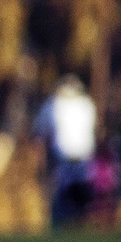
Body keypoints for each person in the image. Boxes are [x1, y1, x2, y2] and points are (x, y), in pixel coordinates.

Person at [41, 77, 98, 228]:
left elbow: (41, 130)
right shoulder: (87, 104)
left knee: (63, 191)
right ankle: (79, 222)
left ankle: (62, 222)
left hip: (63, 156)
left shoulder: (54, 103)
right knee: (80, 191)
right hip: (83, 155)